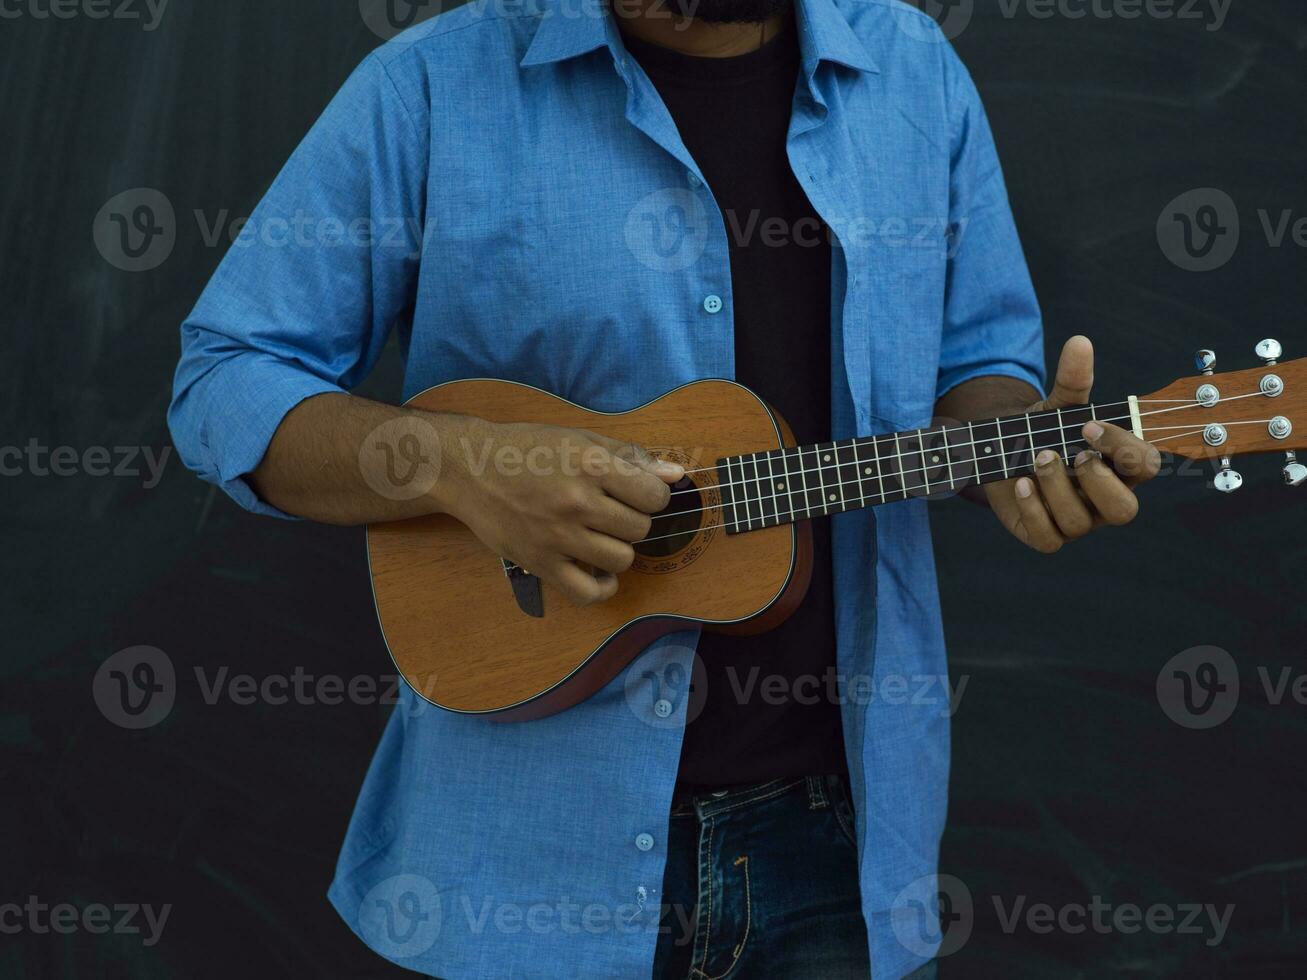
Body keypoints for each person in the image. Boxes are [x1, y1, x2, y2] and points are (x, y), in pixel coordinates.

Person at [168, 0, 1159, 975]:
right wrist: (463, 462)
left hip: (846, 852)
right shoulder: (430, 82)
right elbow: (227, 378)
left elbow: (979, 361)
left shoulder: (912, 70)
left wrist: (1019, 459)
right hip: (518, 865)